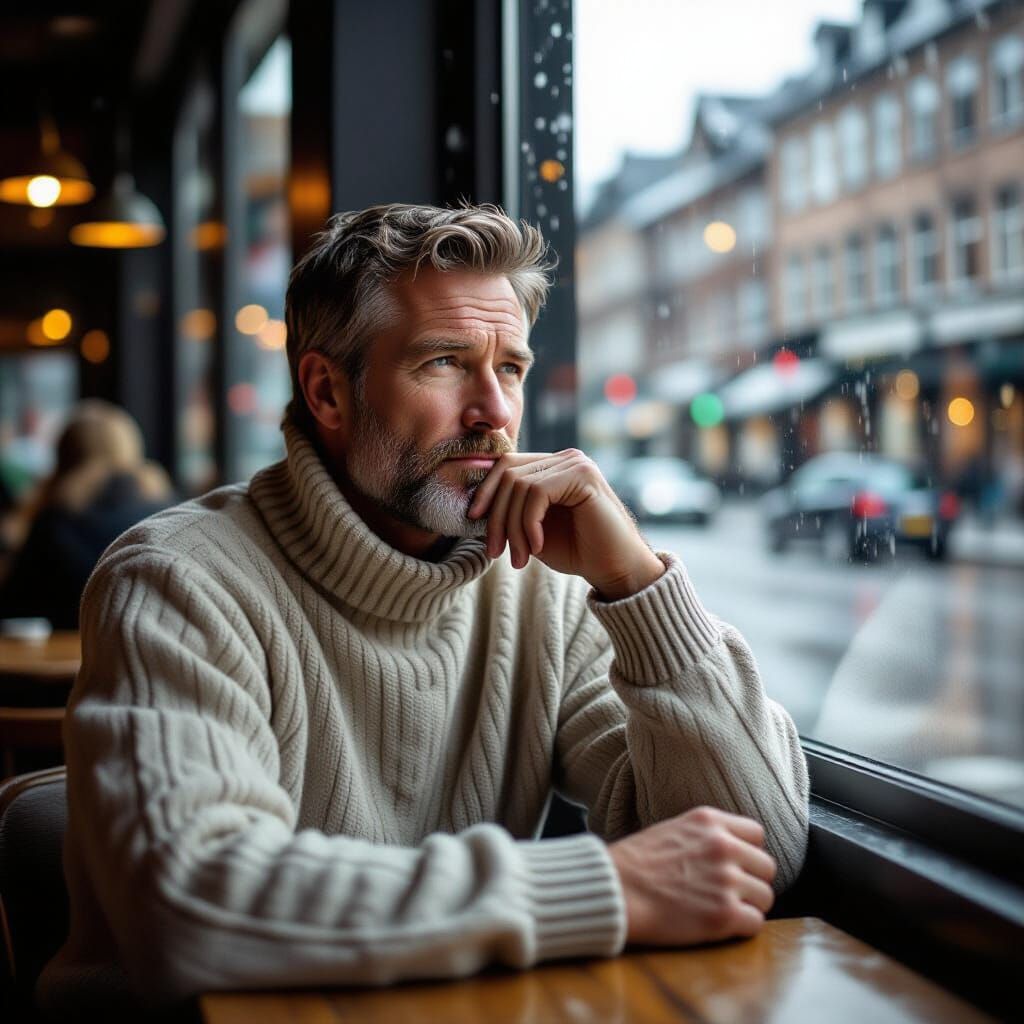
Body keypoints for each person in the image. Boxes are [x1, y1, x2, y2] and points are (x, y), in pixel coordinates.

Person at [39, 204, 809, 1018]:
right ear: (328, 392)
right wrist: (602, 889)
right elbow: (187, 910)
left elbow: (755, 849)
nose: (496, 412)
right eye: (445, 362)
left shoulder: (542, 587)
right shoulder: (175, 582)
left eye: (510, 368)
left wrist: (637, 584)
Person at [0, 400, 173, 629]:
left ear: (63, 455)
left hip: (66, 656)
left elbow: (14, 607)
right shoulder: (164, 510)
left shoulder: (54, 521)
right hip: (148, 648)